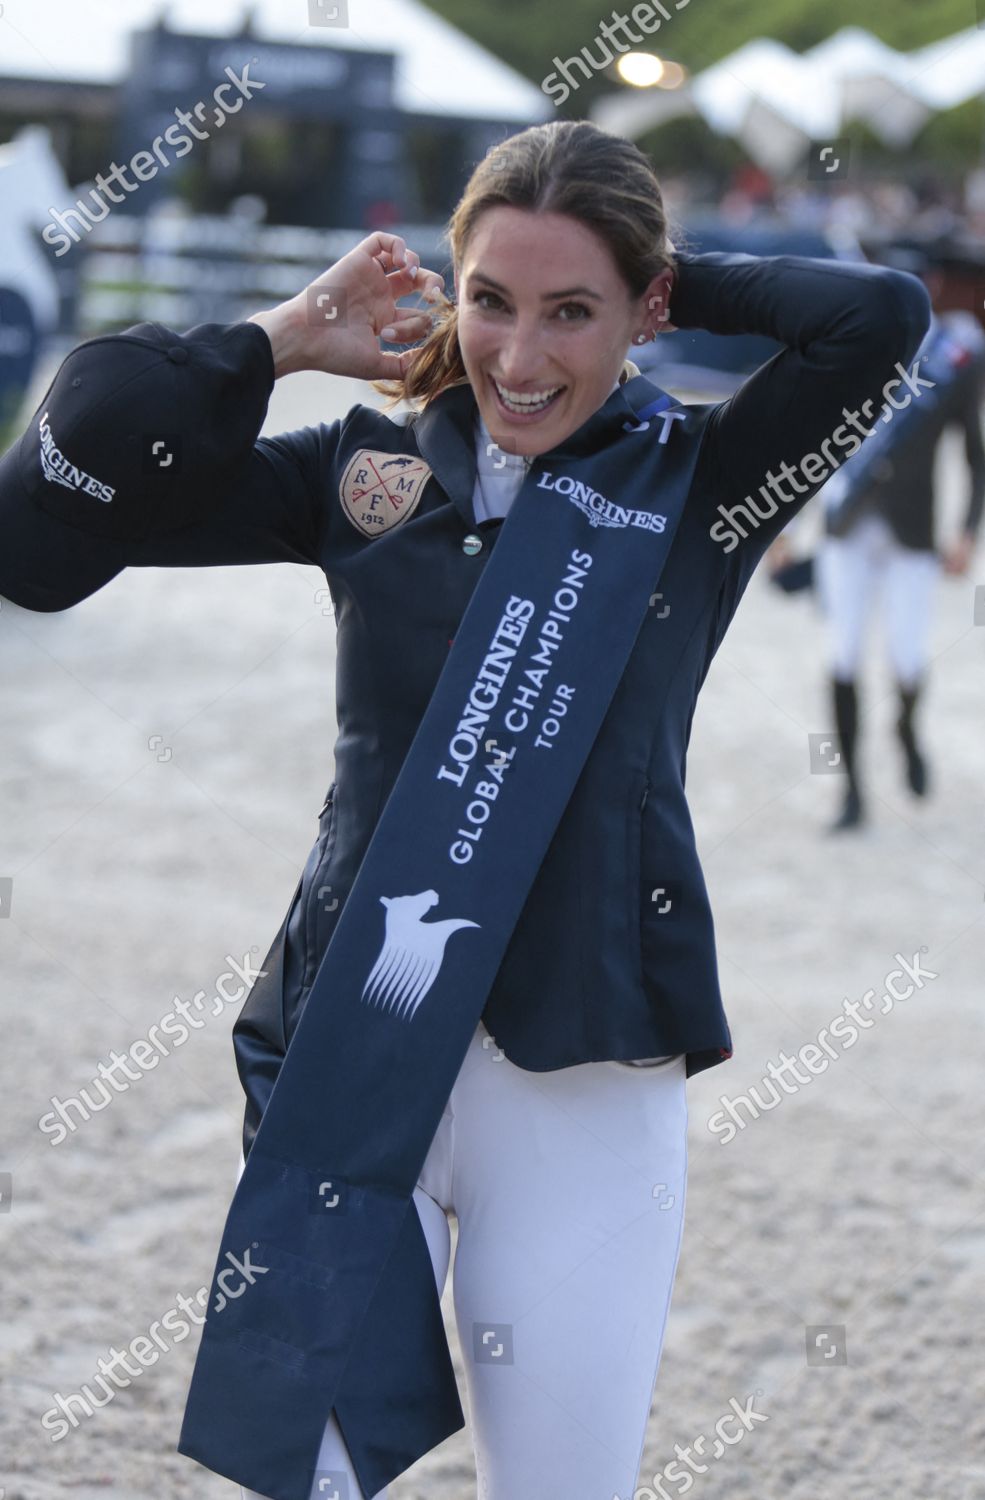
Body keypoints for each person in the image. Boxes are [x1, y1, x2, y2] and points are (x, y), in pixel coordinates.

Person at [0, 122, 930, 1500]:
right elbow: (48, 503)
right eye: (491, 299)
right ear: (449, 287)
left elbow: (878, 319)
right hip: (349, 1052)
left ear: (641, 315)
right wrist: (278, 340)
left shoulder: (702, 487)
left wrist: (676, 277)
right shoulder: (359, 475)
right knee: (296, 1483)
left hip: (583, 1080)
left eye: (575, 312)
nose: (520, 355)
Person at [806, 245, 984, 831]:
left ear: (929, 287)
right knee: (843, 654)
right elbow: (806, 443)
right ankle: (853, 792)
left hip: (912, 530)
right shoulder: (849, 348)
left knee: (908, 658)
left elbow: (974, 455)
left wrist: (967, 531)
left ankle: (906, 728)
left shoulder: (954, 360)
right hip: (847, 529)